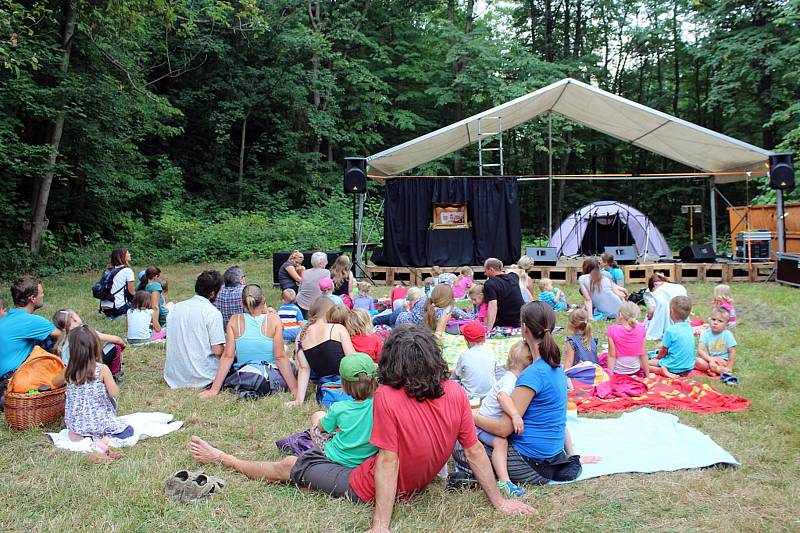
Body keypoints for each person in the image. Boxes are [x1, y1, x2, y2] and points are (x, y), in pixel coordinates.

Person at [188, 324, 533, 530]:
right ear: (434, 357)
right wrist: (499, 502)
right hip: (415, 481)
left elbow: (387, 461)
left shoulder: (388, 398)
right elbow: (472, 451)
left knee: (291, 465)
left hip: (368, 484)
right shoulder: (455, 392)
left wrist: (380, 526)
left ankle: (225, 460)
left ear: (391, 360)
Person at [463, 302, 586, 486]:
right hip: (553, 457)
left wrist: (471, 416)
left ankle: (496, 478)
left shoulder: (532, 374)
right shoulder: (556, 368)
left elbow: (504, 429)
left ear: (524, 328)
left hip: (531, 465)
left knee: (461, 442)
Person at [200, 284, 295, 398]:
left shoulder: (235, 320)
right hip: (270, 375)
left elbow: (227, 357)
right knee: (293, 363)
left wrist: (214, 389)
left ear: (242, 303)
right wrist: (294, 388)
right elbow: (280, 357)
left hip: (243, 374)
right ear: (263, 301)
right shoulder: (274, 319)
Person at [474, 341, 533, 498]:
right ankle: (504, 481)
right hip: (481, 425)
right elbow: (502, 396)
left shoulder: (512, 378)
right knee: (501, 442)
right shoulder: (510, 380)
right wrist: (514, 415)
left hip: (486, 422)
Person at [53, 326, 133, 441]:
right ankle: (103, 436)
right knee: (128, 431)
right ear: (96, 347)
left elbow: (54, 382)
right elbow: (114, 393)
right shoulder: (102, 369)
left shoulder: (70, 369)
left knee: (77, 433)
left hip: (77, 427)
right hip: (100, 422)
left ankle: (84, 436)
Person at [307, 352, 379, 467]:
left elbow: (322, 428)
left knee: (317, 418)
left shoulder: (339, 408)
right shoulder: (380, 404)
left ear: (343, 384)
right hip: (368, 457)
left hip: (337, 457)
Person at [0, 276, 61, 404]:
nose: (43, 295)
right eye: (41, 293)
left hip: (3, 377)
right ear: (32, 298)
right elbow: (68, 335)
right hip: (12, 378)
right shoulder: (31, 321)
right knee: (55, 341)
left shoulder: (8, 317)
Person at [288, 298, 356, 407]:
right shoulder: (337, 328)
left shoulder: (300, 336)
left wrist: (299, 400)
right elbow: (353, 359)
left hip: (325, 391)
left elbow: (304, 369)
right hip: (349, 387)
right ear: (330, 311)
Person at [163, 270, 226, 389]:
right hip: (204, 377)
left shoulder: (176, 308)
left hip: (174, 376)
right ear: (212, 293)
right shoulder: (212, 313)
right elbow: (218, 351)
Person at [51, 309, 125, 372]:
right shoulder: (84, 331)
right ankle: (115, 373)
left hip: (71, 374)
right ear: (74, 318)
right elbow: (117, 340)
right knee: (115, 346)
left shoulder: (62, 339)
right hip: (89, 371)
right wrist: (123, 345)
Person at [648, 296, 695, 378]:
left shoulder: (670, 330)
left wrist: (657, 358)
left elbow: (664, 351)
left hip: (673, 367)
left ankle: (661, 371)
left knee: (642, 363)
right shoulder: (689, 327)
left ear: (671, 311)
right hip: (688, 367)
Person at [454, 321, 496, 400]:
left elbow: (457, 374)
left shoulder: (464, 355)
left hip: (470, 395)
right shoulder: (491, 352)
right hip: (490, 394)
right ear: (485, 338)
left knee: (453, 383)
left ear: (466, 340)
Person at [606, 302, 649, 376]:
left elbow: (612, 355)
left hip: (618, 372)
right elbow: (643, 354)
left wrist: (610, 376)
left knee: (603, 356)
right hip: (635, 370)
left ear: (620, 315)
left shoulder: (612, 330)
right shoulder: (641, 329)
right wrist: (647, 374)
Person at [482, 258, 525, 330]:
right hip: (523, 318)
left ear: (491, 269)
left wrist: (488, 330)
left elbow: (493, 307)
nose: (485, 273)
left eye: (485, 270)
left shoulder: (490, 284)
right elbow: (519, 270)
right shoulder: (514, 277)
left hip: (507, 322)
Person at [644, 272, 688, 340]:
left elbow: (661, 307)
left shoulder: (658, 291)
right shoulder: (678, 287)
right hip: (683, 312)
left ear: (655, 285)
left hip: (672, 315)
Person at [696, 307, 737, 375]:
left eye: (720, 321)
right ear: (709, 320)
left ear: (726, 325)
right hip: (708, 359)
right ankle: (716, 370)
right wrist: (710, 360)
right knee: (697, 361)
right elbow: (700, 350)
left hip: (721, 361)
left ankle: (713, 370)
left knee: (722, 366)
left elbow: (732, 352)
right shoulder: (705, 333)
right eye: (713, 319)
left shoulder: (727, 334)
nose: (715, 322)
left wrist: (730, 367)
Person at [100, 248, 136, 319]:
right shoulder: (127, 271)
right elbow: (132, 292)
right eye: (128, 253)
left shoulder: (108, 270)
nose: (129, 254)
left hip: (105, 308)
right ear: (122, 256)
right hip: (118, 308)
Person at [296, 252, 332, 318]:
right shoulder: (326, 272)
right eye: (326, 261)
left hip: (301, 303)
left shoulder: (305, 272)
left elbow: (299, 289)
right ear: (321, 264)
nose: (327, 262)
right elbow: (328, 290)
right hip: (316, 306)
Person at [138, 266, 170, 331]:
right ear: (155, 276)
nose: (160, 279)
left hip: (146, 317)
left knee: (170, 304)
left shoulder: (140, 285)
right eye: (159, 276)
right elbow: (155, 307)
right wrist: (158, 328)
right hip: (160, 319)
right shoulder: (155, 286)